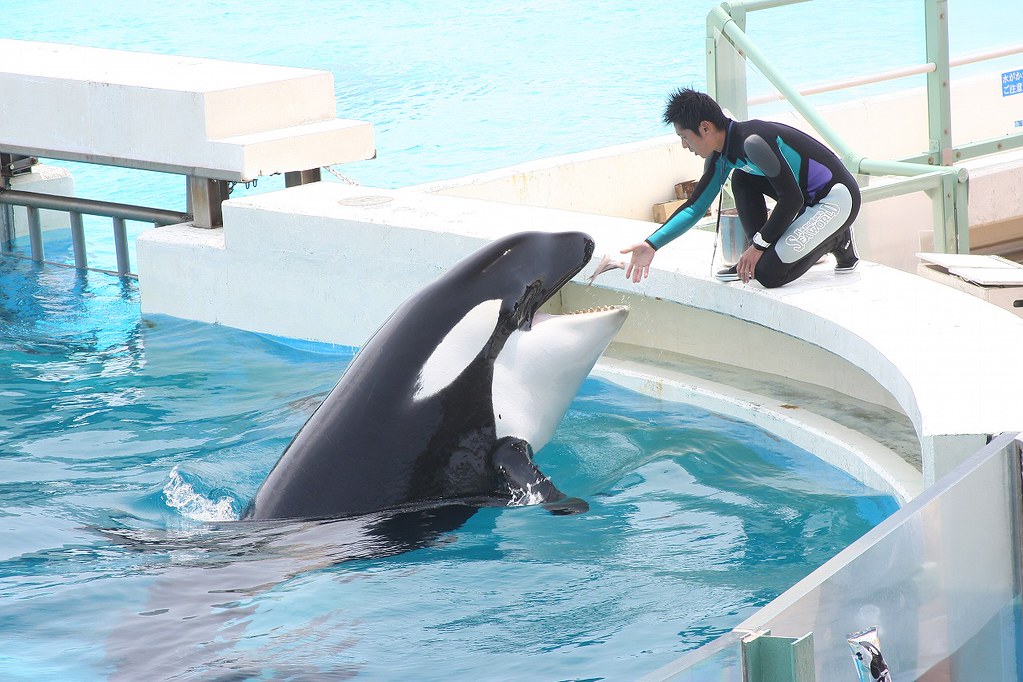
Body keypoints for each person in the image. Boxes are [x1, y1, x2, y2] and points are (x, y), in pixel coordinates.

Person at [622, 88, 861, 288]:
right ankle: (758, 255)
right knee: (742, 178)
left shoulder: (752, 142)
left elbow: (791, 199)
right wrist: (651, 244)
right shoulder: (721, 156)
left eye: (684, 137)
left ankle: (839, 239)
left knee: (768, 275)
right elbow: (695, 207)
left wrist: (760, 245)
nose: (685, 145)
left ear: (705, 128)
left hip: (836, 200)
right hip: (805, 202)